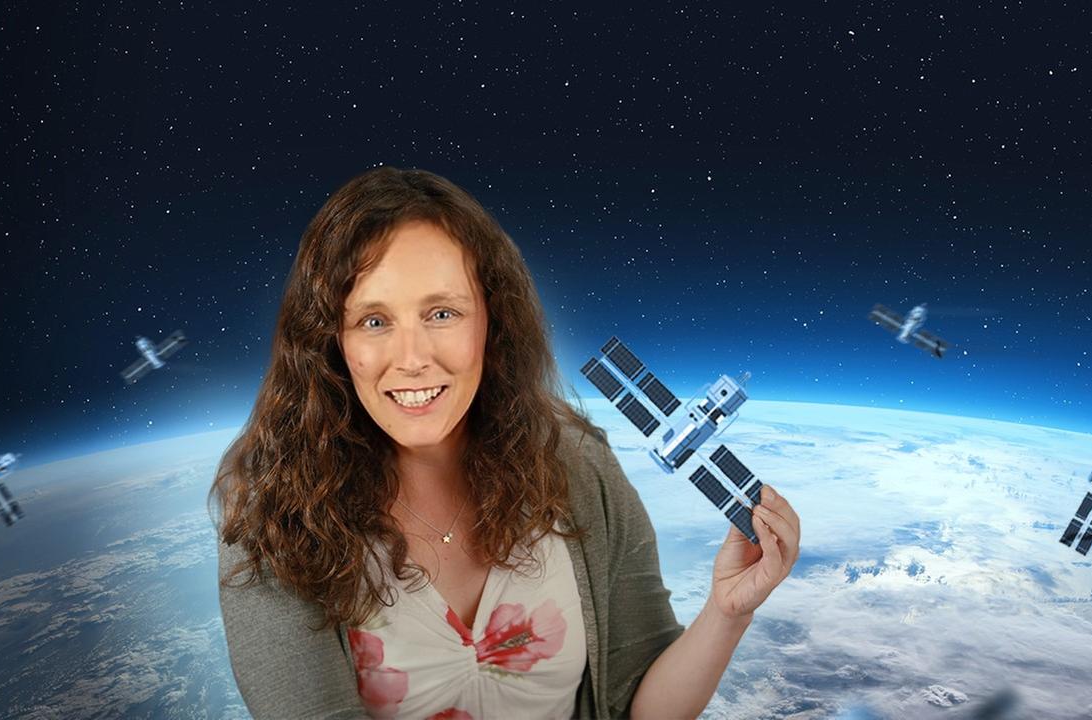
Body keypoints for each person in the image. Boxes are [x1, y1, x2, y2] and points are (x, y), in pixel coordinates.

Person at [211, 167, 801, 719]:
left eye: (442, 313)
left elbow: (637, 707)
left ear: (492, 320)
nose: (413, 358)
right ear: (330, 340)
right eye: (374, 321)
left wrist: (728, 612)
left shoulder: (578, 465)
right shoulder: (274, 514)